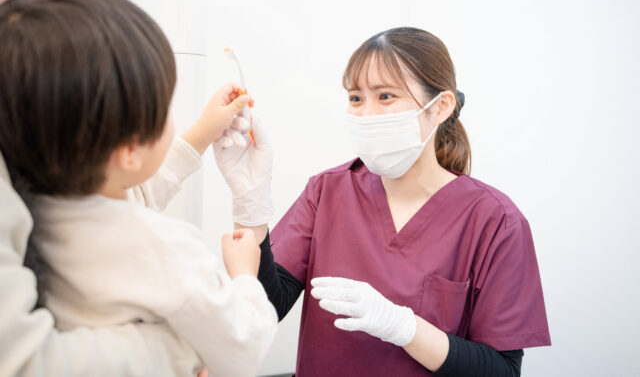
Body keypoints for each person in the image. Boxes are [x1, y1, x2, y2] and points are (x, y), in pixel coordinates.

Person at [218, 27, 551, 376]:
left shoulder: (495, 221)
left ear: (440, 107)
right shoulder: (328, 191)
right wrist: (250, 200)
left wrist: (404, 328)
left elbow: (502, 370)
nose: (366, 114)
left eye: (386, 96)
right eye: (356, 98)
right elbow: (266, 308)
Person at [0, 0, 277, 377]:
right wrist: (245, 277)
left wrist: (202, 133)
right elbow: (245, 346)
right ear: (131, 146)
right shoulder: (167, 249)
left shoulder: (35, 214)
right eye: (165, 106)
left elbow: (121, 195)